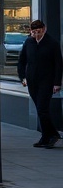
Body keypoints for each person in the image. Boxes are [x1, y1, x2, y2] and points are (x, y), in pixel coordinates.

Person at [18, 19, 63, 148]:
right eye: (34, 32)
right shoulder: (29, 42)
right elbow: (21, 62)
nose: (37, 35)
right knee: (40, 109)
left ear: (44, 29)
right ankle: (47, 136)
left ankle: (52, 135)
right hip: (32, 81)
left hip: (47, 81)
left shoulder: (52, 44)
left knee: (42, 109)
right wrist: (23, 77)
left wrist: (57, 83)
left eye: (39, 31)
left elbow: (58, 64)